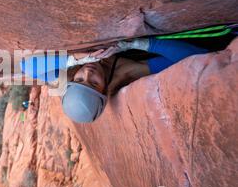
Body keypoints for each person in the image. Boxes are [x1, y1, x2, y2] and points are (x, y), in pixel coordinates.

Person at [20, 37, 210, 123]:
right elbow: (198, 57)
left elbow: (27, 66)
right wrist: (138, 43)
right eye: (93, 82)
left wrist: (79, 58)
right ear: (104, 90)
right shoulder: (127, 72)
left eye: (80, 79)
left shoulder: (67, 74)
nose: (88, 73)